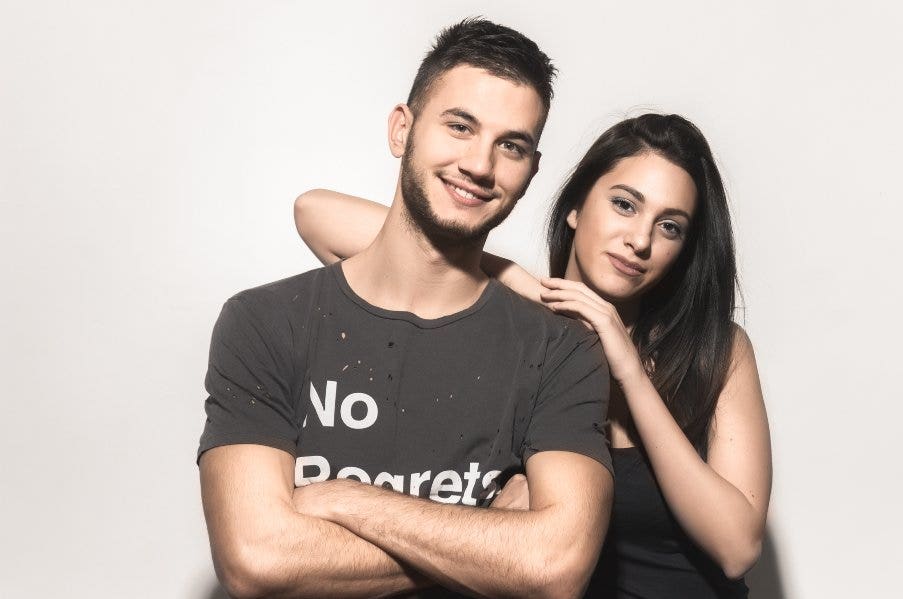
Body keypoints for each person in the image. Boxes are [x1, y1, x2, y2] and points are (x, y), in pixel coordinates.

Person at [198, 19, 615, 599]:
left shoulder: (561, 350)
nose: (480, 164)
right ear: (403, 129)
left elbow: (555, 568)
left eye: (511, 145)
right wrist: (496, 540)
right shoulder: (267, 321)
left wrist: (344, 500)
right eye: (460, 126)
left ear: (531, 171)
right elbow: (258, 560)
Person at [295, 113, 772, 598]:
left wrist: (629, 369)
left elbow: (737, 546)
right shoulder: (518, 327)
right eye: (624, 205)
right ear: (575, 207)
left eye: (669, 227)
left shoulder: (717, 351)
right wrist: (527, 290)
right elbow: (315, 214)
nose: (641, 240)